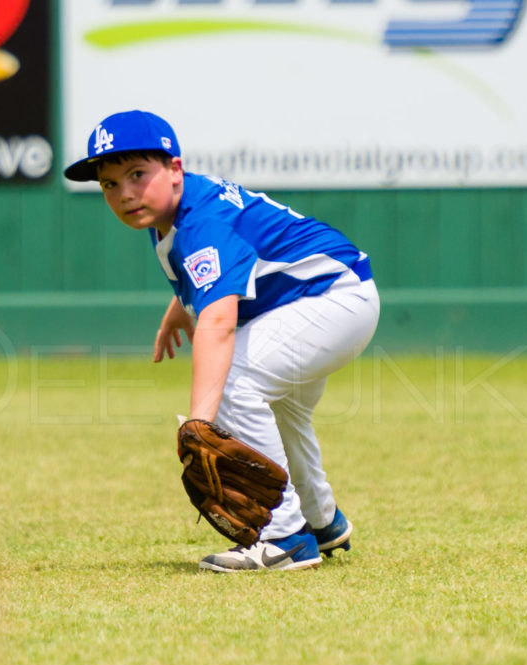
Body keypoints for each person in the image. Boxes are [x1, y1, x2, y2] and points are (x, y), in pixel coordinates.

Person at [65, 110, 380, 572]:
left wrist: (200, 425)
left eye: (137, 174)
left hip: (331, 299)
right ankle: (321, 520)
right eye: (109, 184)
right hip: (323, 296)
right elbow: (224, 268)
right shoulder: (179, 207)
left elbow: (218, 323)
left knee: (232, 379)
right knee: (278, 407)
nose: (125, 192)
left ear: (175, 169)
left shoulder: (200, 220)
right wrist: (178, 309)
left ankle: (285, 536)